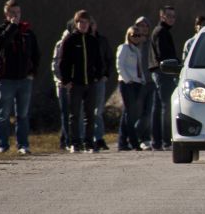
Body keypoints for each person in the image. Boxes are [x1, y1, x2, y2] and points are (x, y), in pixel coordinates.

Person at [0, 0, 40, 154]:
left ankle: (23, 145)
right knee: (4, 113)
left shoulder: (27, 32)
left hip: (24, 79)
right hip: (6, 79)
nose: (16, 16)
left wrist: (32, 72)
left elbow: (36, 54)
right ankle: (3, 144)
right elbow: (2, 42)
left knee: (23, 114)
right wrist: (12, 27)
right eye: (12, 13)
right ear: (6, 14)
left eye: (18, 13)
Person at [60, 10, 105, 153]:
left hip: (90, 83)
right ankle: (75, 142)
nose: (83, 25)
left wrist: (98, 75)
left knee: (90, 114)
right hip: (75, 83)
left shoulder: (93, 40)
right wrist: (66, 80)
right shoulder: (70, 40)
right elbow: (63, 62)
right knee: (74, 115)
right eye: (80, 22)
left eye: (85, 22)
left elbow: (99, 60)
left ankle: (89, 143)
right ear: (76, 23)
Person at [148, 5, 179, 151]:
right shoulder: (161, 32)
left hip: (158, 73)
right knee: (167, 107)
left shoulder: (162, 31)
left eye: (174, 16)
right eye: (169, 16)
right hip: (163, 72)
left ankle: (157, 142)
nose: (172, 19)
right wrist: (176, 65)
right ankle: (167, 141)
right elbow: (164, 55)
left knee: (158, 108)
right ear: (162, 16)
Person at [116, 26, 146, 151]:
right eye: (134, 35)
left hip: (137, 83)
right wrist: (128, 80)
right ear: (128, 35)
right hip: (127, 83)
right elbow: (119, 65)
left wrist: (142, 79)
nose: (136, 37)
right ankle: (133, 142)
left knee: (128, 113)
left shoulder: (136, 50)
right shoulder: (123, 48)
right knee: (130, 113)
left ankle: (122, 142)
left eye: (139, 35)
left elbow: (139, 67)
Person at [90, 18, 114, 151]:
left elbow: (109, 58)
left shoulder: (102, 40)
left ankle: (99, 138)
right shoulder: (82, 40)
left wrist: (106, 75)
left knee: (98, 111)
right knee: (86, 111)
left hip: (99, 79)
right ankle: (86, 138)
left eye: (92, 24)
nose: (90, 26)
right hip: (85, 81)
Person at [51, 23, 73, 149]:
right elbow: (55, 64)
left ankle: (65, 139)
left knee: (74, 113)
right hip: (62, 84)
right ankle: (67, 140)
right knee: (65, 112)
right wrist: (61, 80)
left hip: (74, 84)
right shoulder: (61, 44)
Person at [134, 16, 154, 149]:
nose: (144, 28)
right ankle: (133, 137)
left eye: (146, 26)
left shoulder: (151, 42)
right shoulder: (133, 43)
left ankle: (145, 138)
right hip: (137, 82)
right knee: (137, 112)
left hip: (151, 81)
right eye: (141, 26)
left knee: (148, 112)